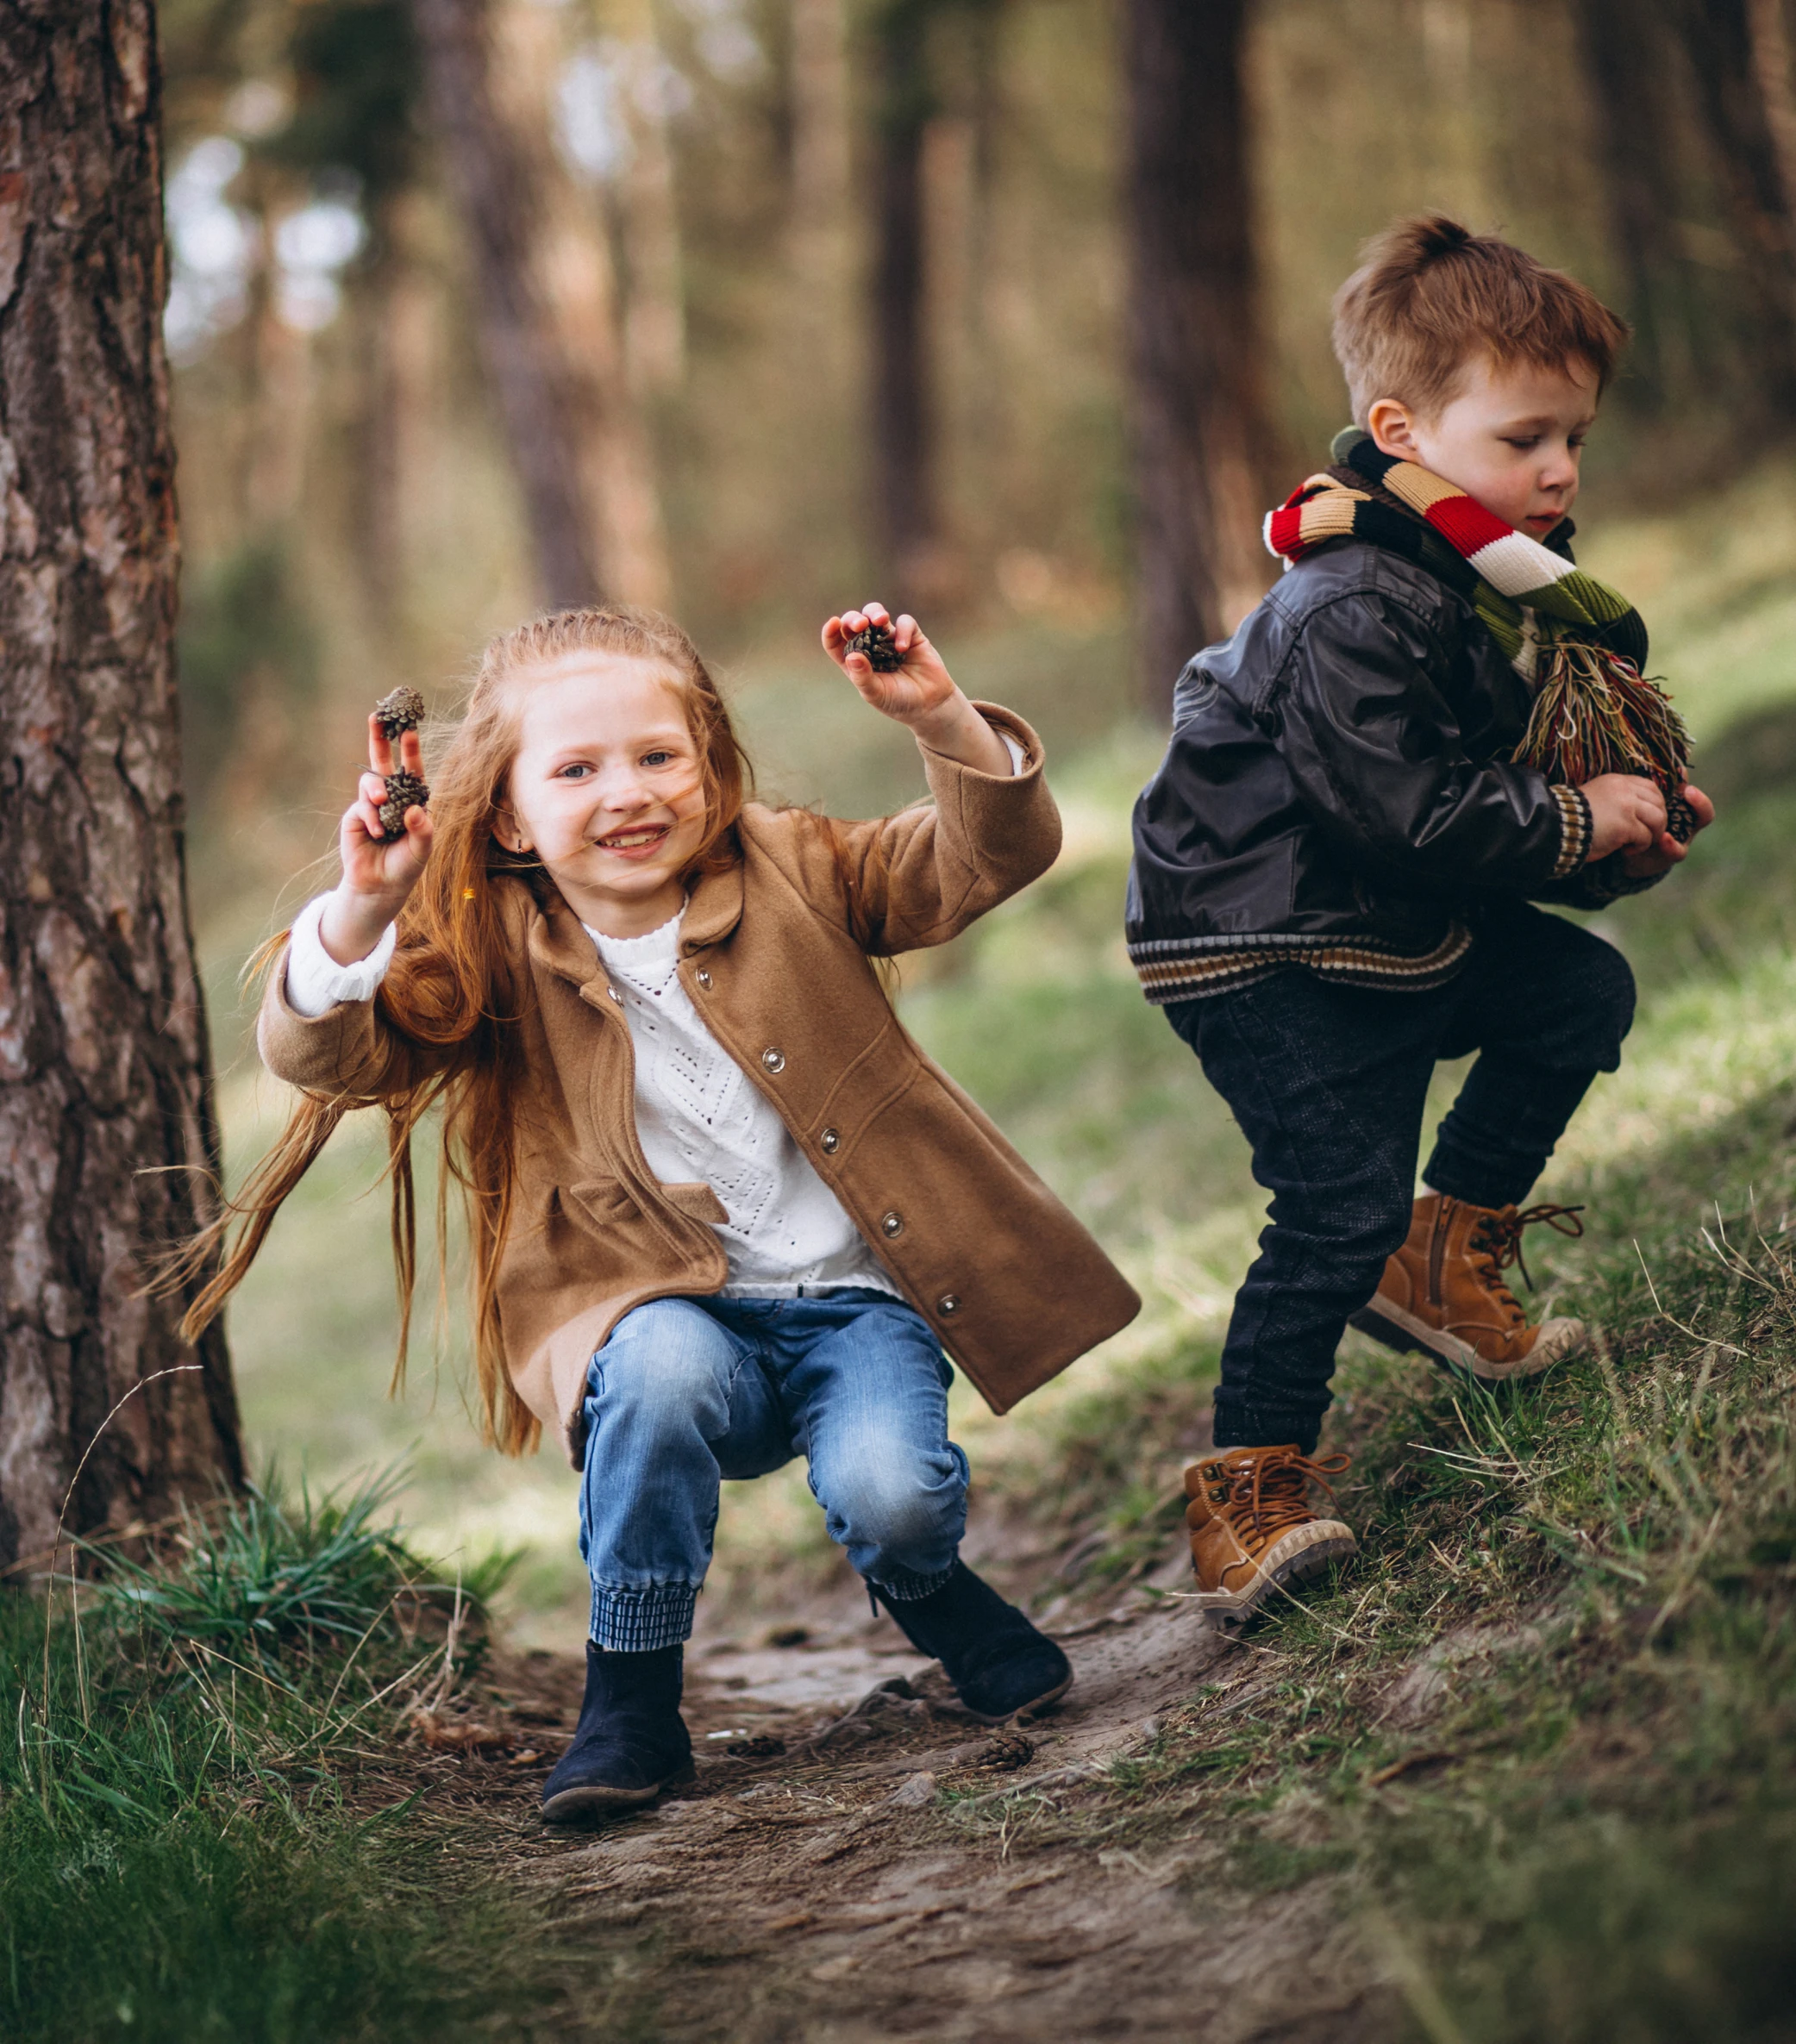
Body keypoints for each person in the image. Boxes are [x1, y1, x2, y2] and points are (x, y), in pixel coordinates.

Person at [186, 601, 1139, 1819]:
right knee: (661, 1370)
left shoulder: (796, 865)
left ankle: (932, 1589)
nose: (626, 792)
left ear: (707, 762)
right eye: (576, 768)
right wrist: (366, 908)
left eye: (656, 755)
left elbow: (982, 860)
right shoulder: (490, 955)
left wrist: (937, 717)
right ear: (512, 815)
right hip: (661, 1317)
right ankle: (630, 1694)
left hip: (853, 1306)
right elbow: (331, 1058)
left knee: (893, 1493)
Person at [1126, 216, 1714, 1622]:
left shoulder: (1486, 588)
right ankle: (1248, 1490)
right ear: (1400, 426)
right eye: (1523, 438)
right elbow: (1399, 809)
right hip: (1257, 941)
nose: (1560, 468)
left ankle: (1446, 1253)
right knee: (1330, 1208)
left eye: (1574, 436)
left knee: (1574, 996)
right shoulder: (1351, 601)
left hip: (1375, 912)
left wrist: (1603, 844)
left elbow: (1469, 804)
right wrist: (1570, 821)